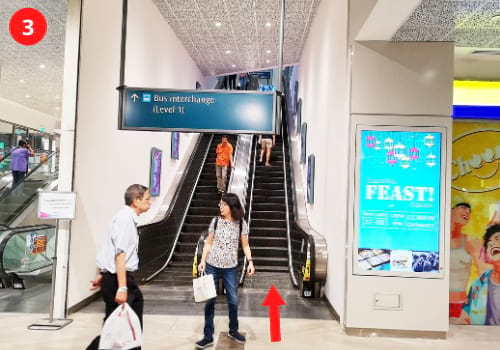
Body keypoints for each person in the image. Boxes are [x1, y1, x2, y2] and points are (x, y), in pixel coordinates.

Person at [86, 184, 151, 350]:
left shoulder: (125, 218)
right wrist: (121, 287)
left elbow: (109, 246)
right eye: (147, 199)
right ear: (136, 201)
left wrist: (103, 273)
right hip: (118, 280)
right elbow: (120, 254)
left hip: (115, 277)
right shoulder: (125, 219)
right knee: (119, 327)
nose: (149, 202)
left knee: (121, 325)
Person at [195, 193, 255, 349]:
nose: (220, 207)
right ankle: (208, 336)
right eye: (220, 204)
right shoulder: (215, 222)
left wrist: (250, 262)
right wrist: (202, 261)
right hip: (211, 266)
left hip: (230, 268)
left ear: (232, 206)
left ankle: (233, 330)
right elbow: (208, 243)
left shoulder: (241, 223)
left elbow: (245, 245)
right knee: (210, 301)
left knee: (233, 301)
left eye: (223, 204)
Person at [449, 202, 490, 324]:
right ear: (450, 211)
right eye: (463, 207)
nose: (467, 212)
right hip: (436, 298)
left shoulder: (471, 242)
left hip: (460, 303)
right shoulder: (435, 239)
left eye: (469, 211)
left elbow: (484, 273)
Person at [462, 224, 500, 325]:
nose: (493, 244)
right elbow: (465, 316)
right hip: (482, 337)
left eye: (498, 239)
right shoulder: (478, 284)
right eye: (489, 244)